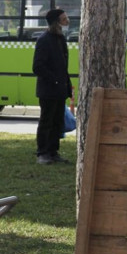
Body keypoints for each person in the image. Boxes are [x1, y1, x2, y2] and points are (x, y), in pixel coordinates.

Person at [32, 8, 72, 165]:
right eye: (64, 19)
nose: (67, 22)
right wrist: (55, 80)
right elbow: (38, 67)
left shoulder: (60, 39)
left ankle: (53, 152)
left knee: (57, 122)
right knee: (46, 122)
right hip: (48, 90)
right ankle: (43, 153)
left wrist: (66, 84)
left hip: (60, 89)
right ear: (56, 22)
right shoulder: (44, 40)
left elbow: (63, 66)